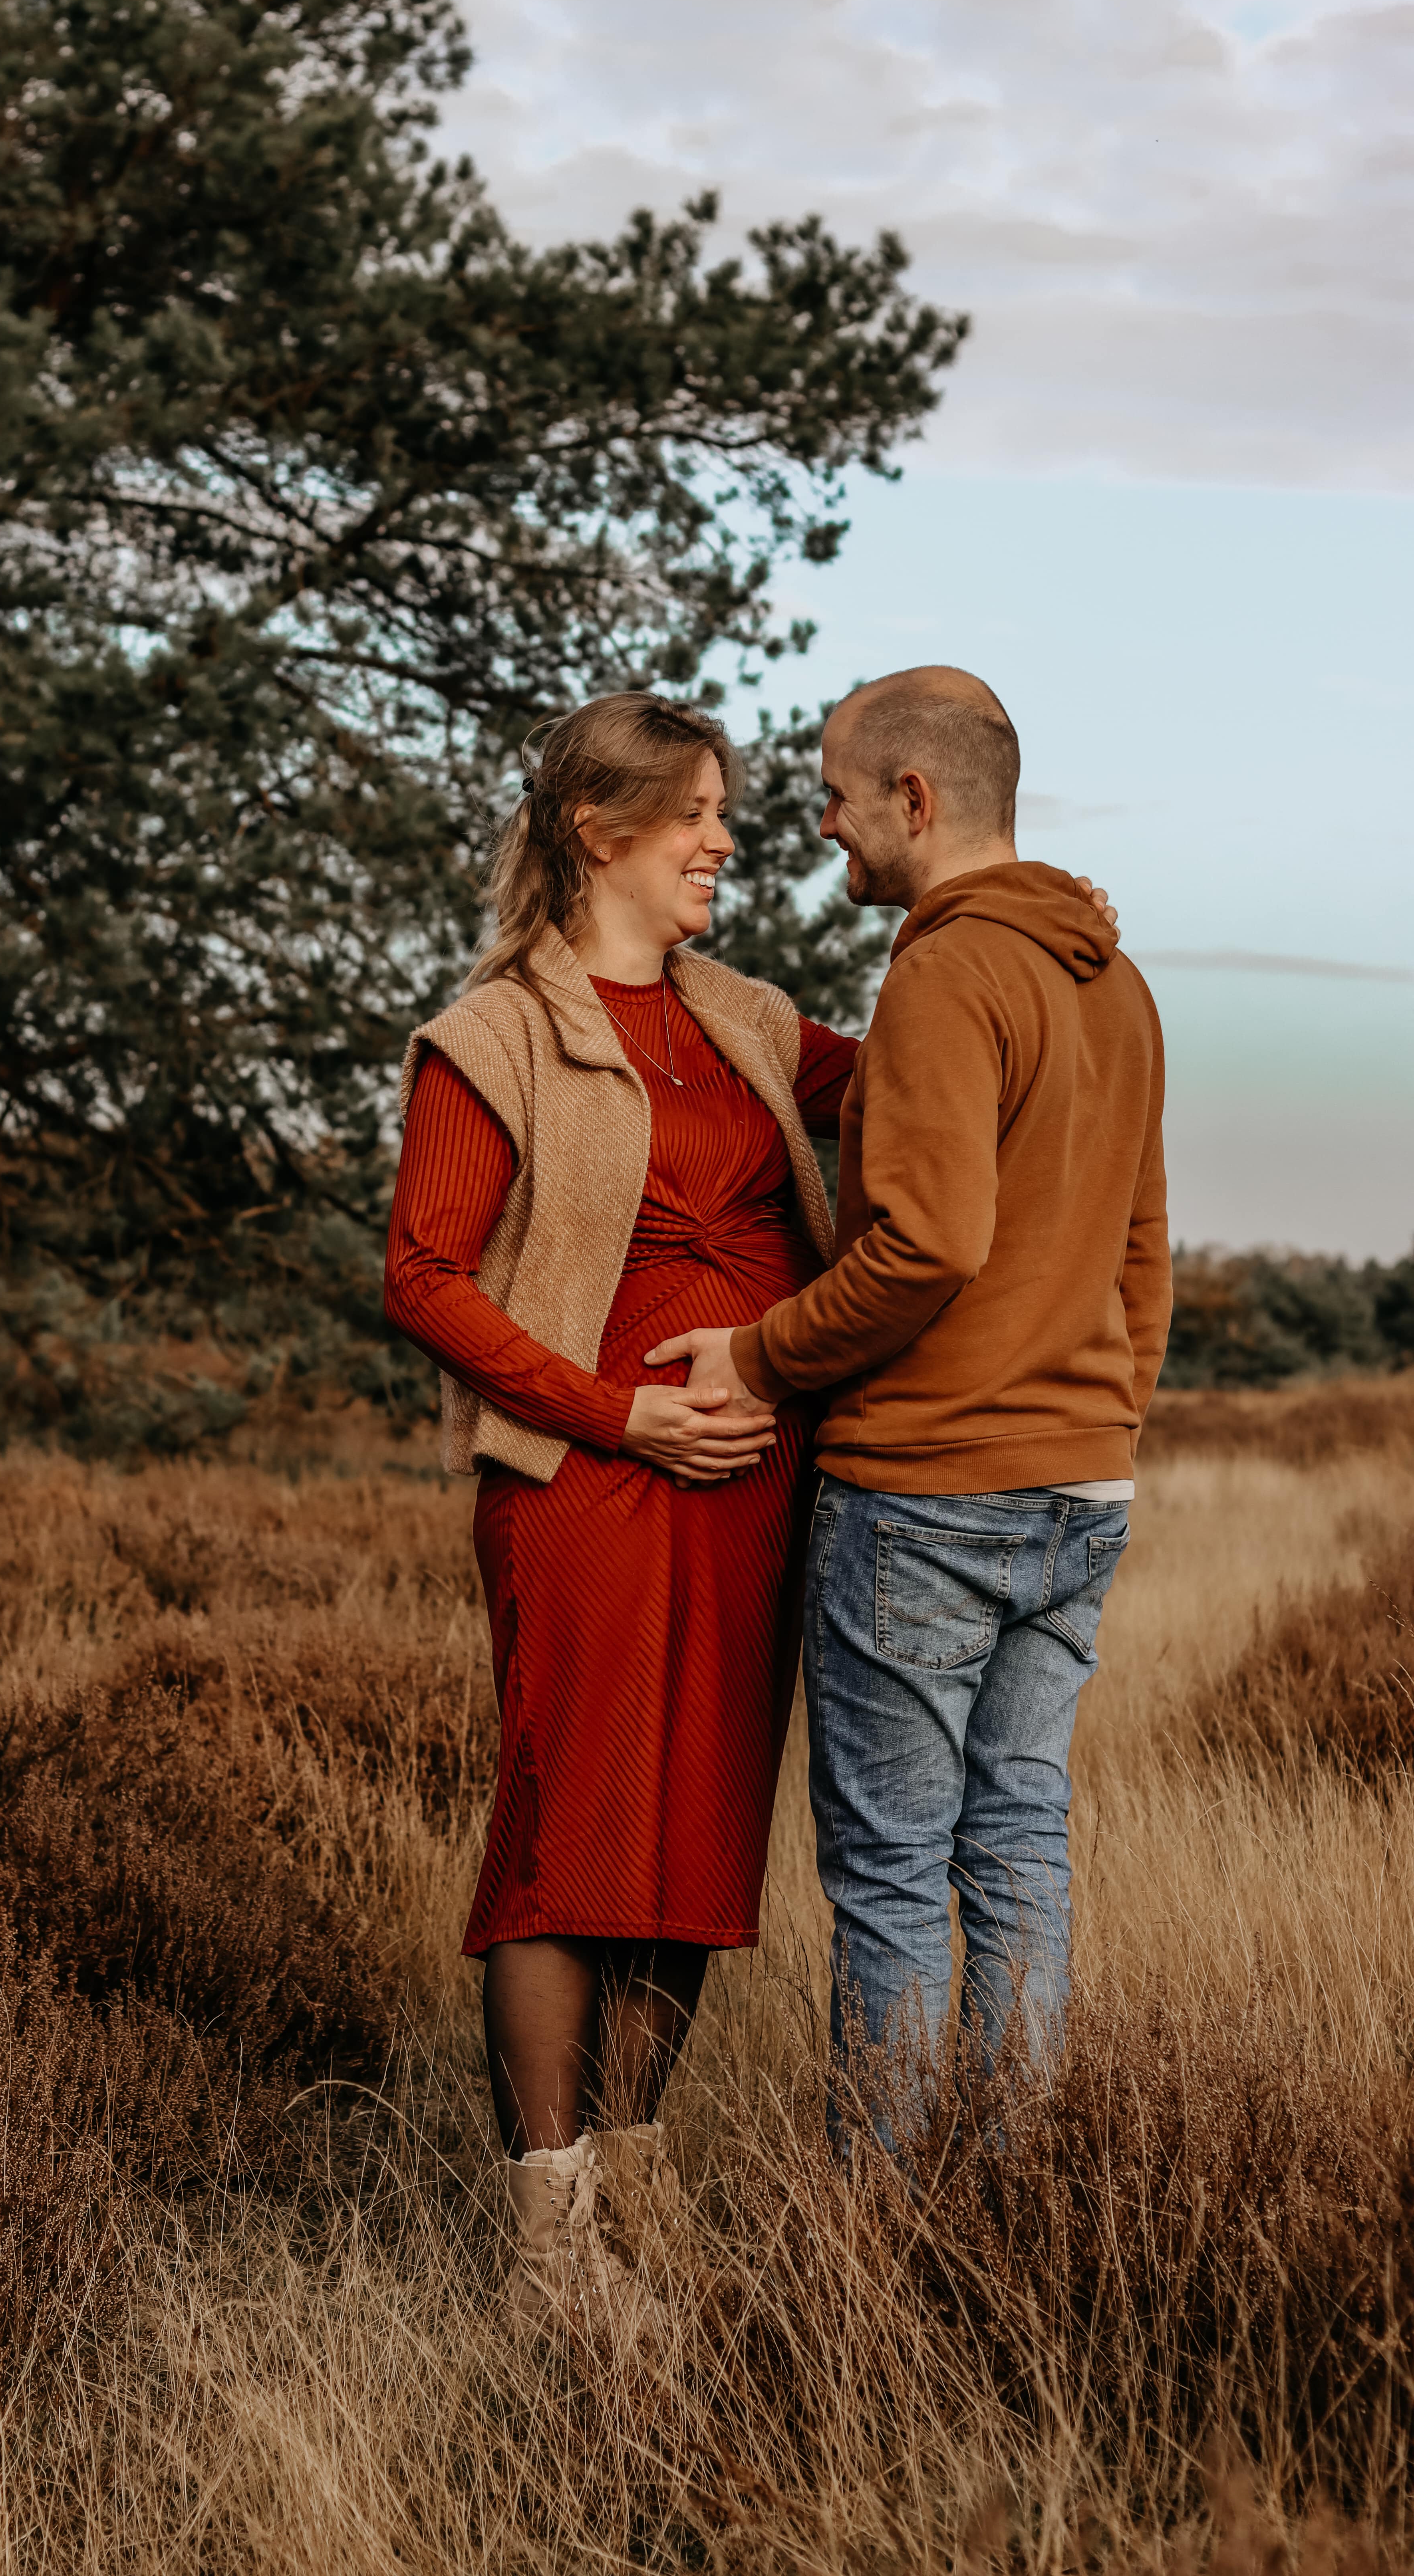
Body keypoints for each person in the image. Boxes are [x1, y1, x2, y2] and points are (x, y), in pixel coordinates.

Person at [383, 690, 853, 2337]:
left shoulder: (749, 1016)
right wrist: (615, 1412)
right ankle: (546, 2250)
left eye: (724, 813)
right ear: (600, 832)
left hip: (748, 1490)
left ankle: (634, 2209)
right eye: (697, 815)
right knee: (571, 1840)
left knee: (695, 1842)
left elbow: (938, 1064)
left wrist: (1014, 919)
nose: (725, 841)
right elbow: (422, 1273)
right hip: (581, 1484)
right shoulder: (494, 1031)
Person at [648, 666, 1170, 2149]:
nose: (818, 826)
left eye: (831, 794)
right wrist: (1102, 1425)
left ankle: (878, 2238)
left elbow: (926, 1245)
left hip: (928, 1499)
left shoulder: (946, 973)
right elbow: (1144, 1249)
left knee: (887, 1876)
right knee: (1018, 1852)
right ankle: (1013, 2207)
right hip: (1082, 1494)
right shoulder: (1112, 981)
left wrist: (752, 1357)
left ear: (916, 798)